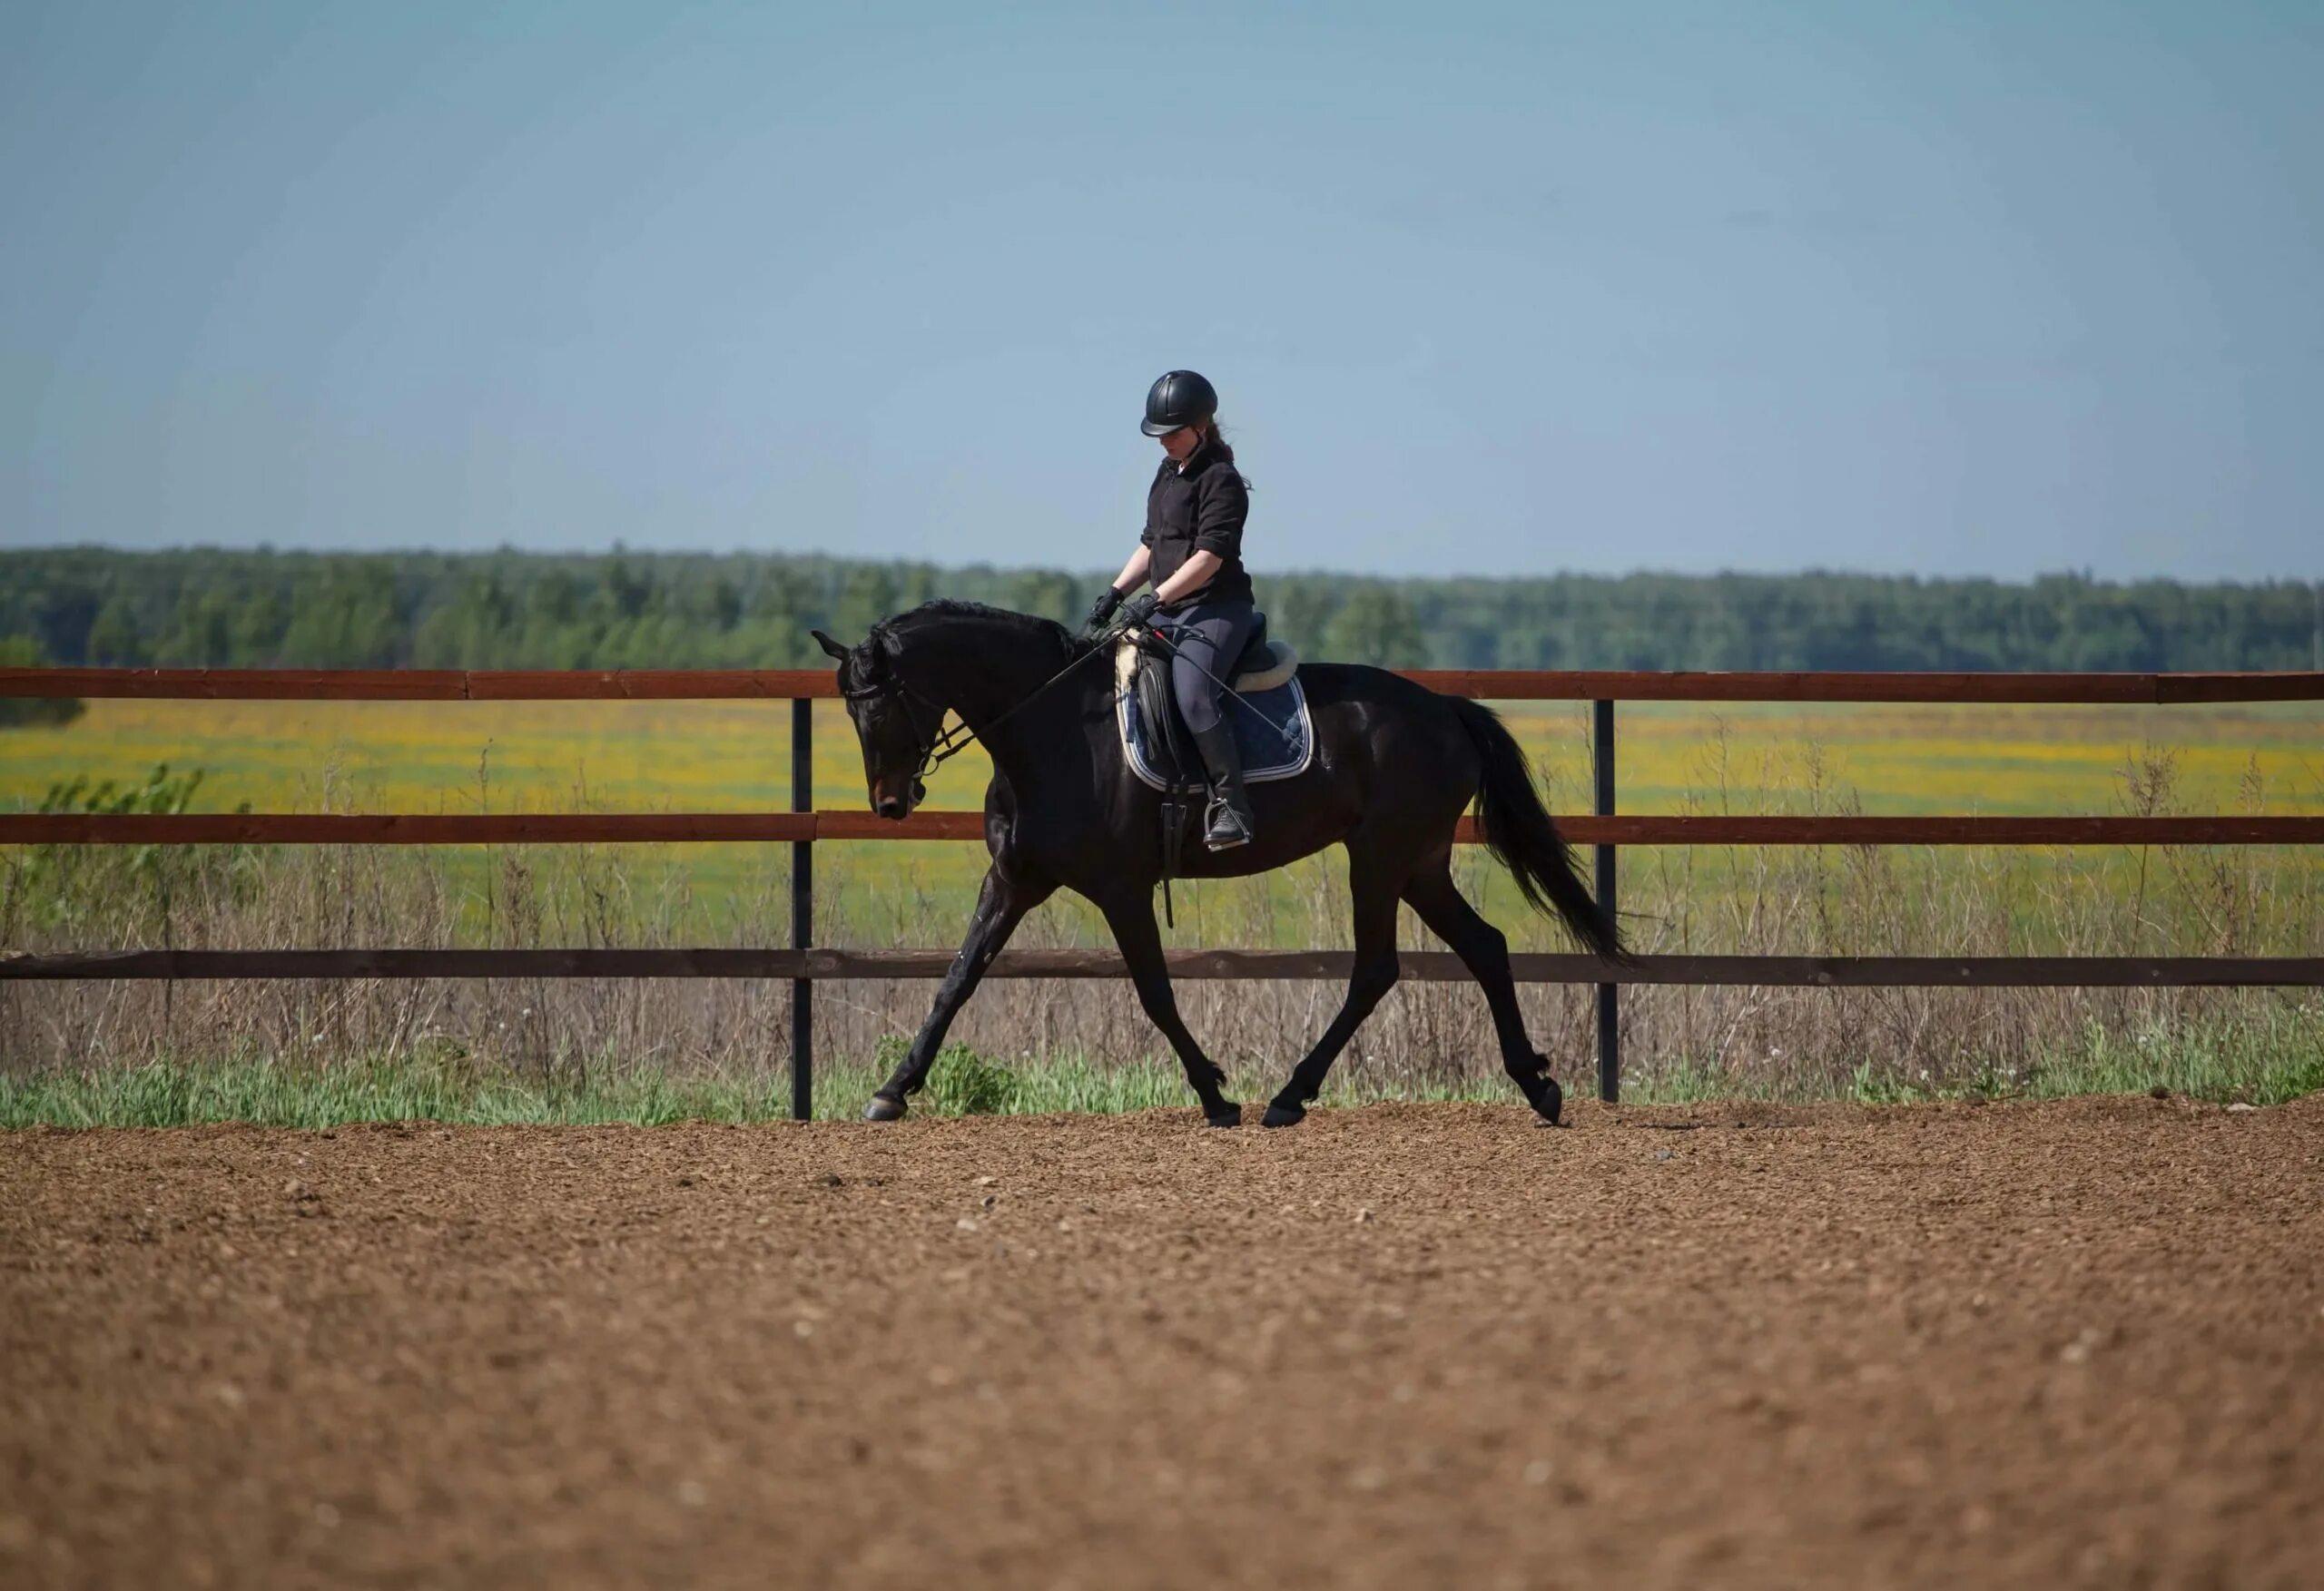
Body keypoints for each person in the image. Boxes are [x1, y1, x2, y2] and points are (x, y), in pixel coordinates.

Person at [1084, 369, 1257, 850]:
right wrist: (1116, 593)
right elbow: (1151, 544)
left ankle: (1232, 805)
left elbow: (1207, 558)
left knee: (1194, 693)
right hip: (1167, 606)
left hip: (1215, 608)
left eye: (1173, 434)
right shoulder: (1167, 474)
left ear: (1202, 426)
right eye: (1159, 435)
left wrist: (1156, 600)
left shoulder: (1221, 480)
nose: (1164, 443)